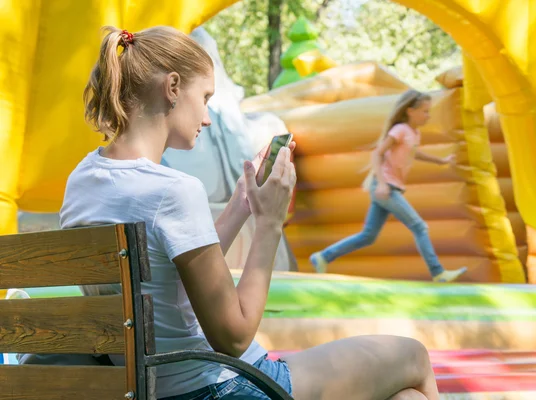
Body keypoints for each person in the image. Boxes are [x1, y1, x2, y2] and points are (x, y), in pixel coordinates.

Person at [59, 26, 440, 400]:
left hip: (150, 388)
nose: (207, 118)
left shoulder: (81, 182)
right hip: (222, 387)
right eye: (205, 97)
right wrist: (270, 223)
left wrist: (243, 202)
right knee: (415, 357)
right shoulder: (173, 190)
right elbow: (234, 338)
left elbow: (169, 272)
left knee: (407, 396)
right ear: (172, 87)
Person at [310, 90, 467, 283]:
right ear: (410, 111)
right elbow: (377, 154)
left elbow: (414, 153)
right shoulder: (399, 130)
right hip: (386, 187)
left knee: (368, 236)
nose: (428, 116)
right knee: (419, 226)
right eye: (425, 111)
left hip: (390, 187)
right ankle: (438, 272)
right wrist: (382, 184)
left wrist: (440, 161)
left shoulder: (413, 133)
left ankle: (323, 256)